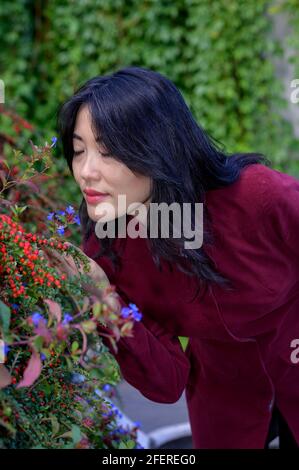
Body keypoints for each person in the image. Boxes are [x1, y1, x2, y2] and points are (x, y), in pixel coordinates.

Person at [56, 66, 299, 449]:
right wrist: (103, 297)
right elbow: (166, 382)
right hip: (221, 372)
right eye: (79, 149)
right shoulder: (108, 249)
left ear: (158, 146)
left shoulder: (257, 195)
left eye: (107, 150)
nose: (86, 171)